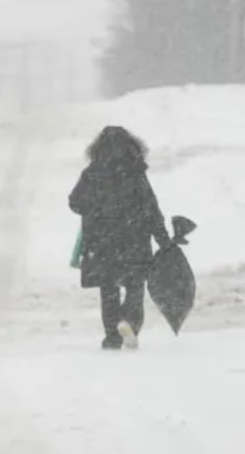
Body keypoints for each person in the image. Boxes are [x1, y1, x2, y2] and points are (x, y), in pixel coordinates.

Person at [68, 126, 172, 350]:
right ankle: (130, 322)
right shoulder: (135, 172)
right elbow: (151, 208)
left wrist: (95, 209)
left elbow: (75, 202)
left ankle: (112, 336)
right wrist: (163, 238)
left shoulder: (92, 173)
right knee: (135, 286)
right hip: (135, 239)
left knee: (109, 290)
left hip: (102, 241)